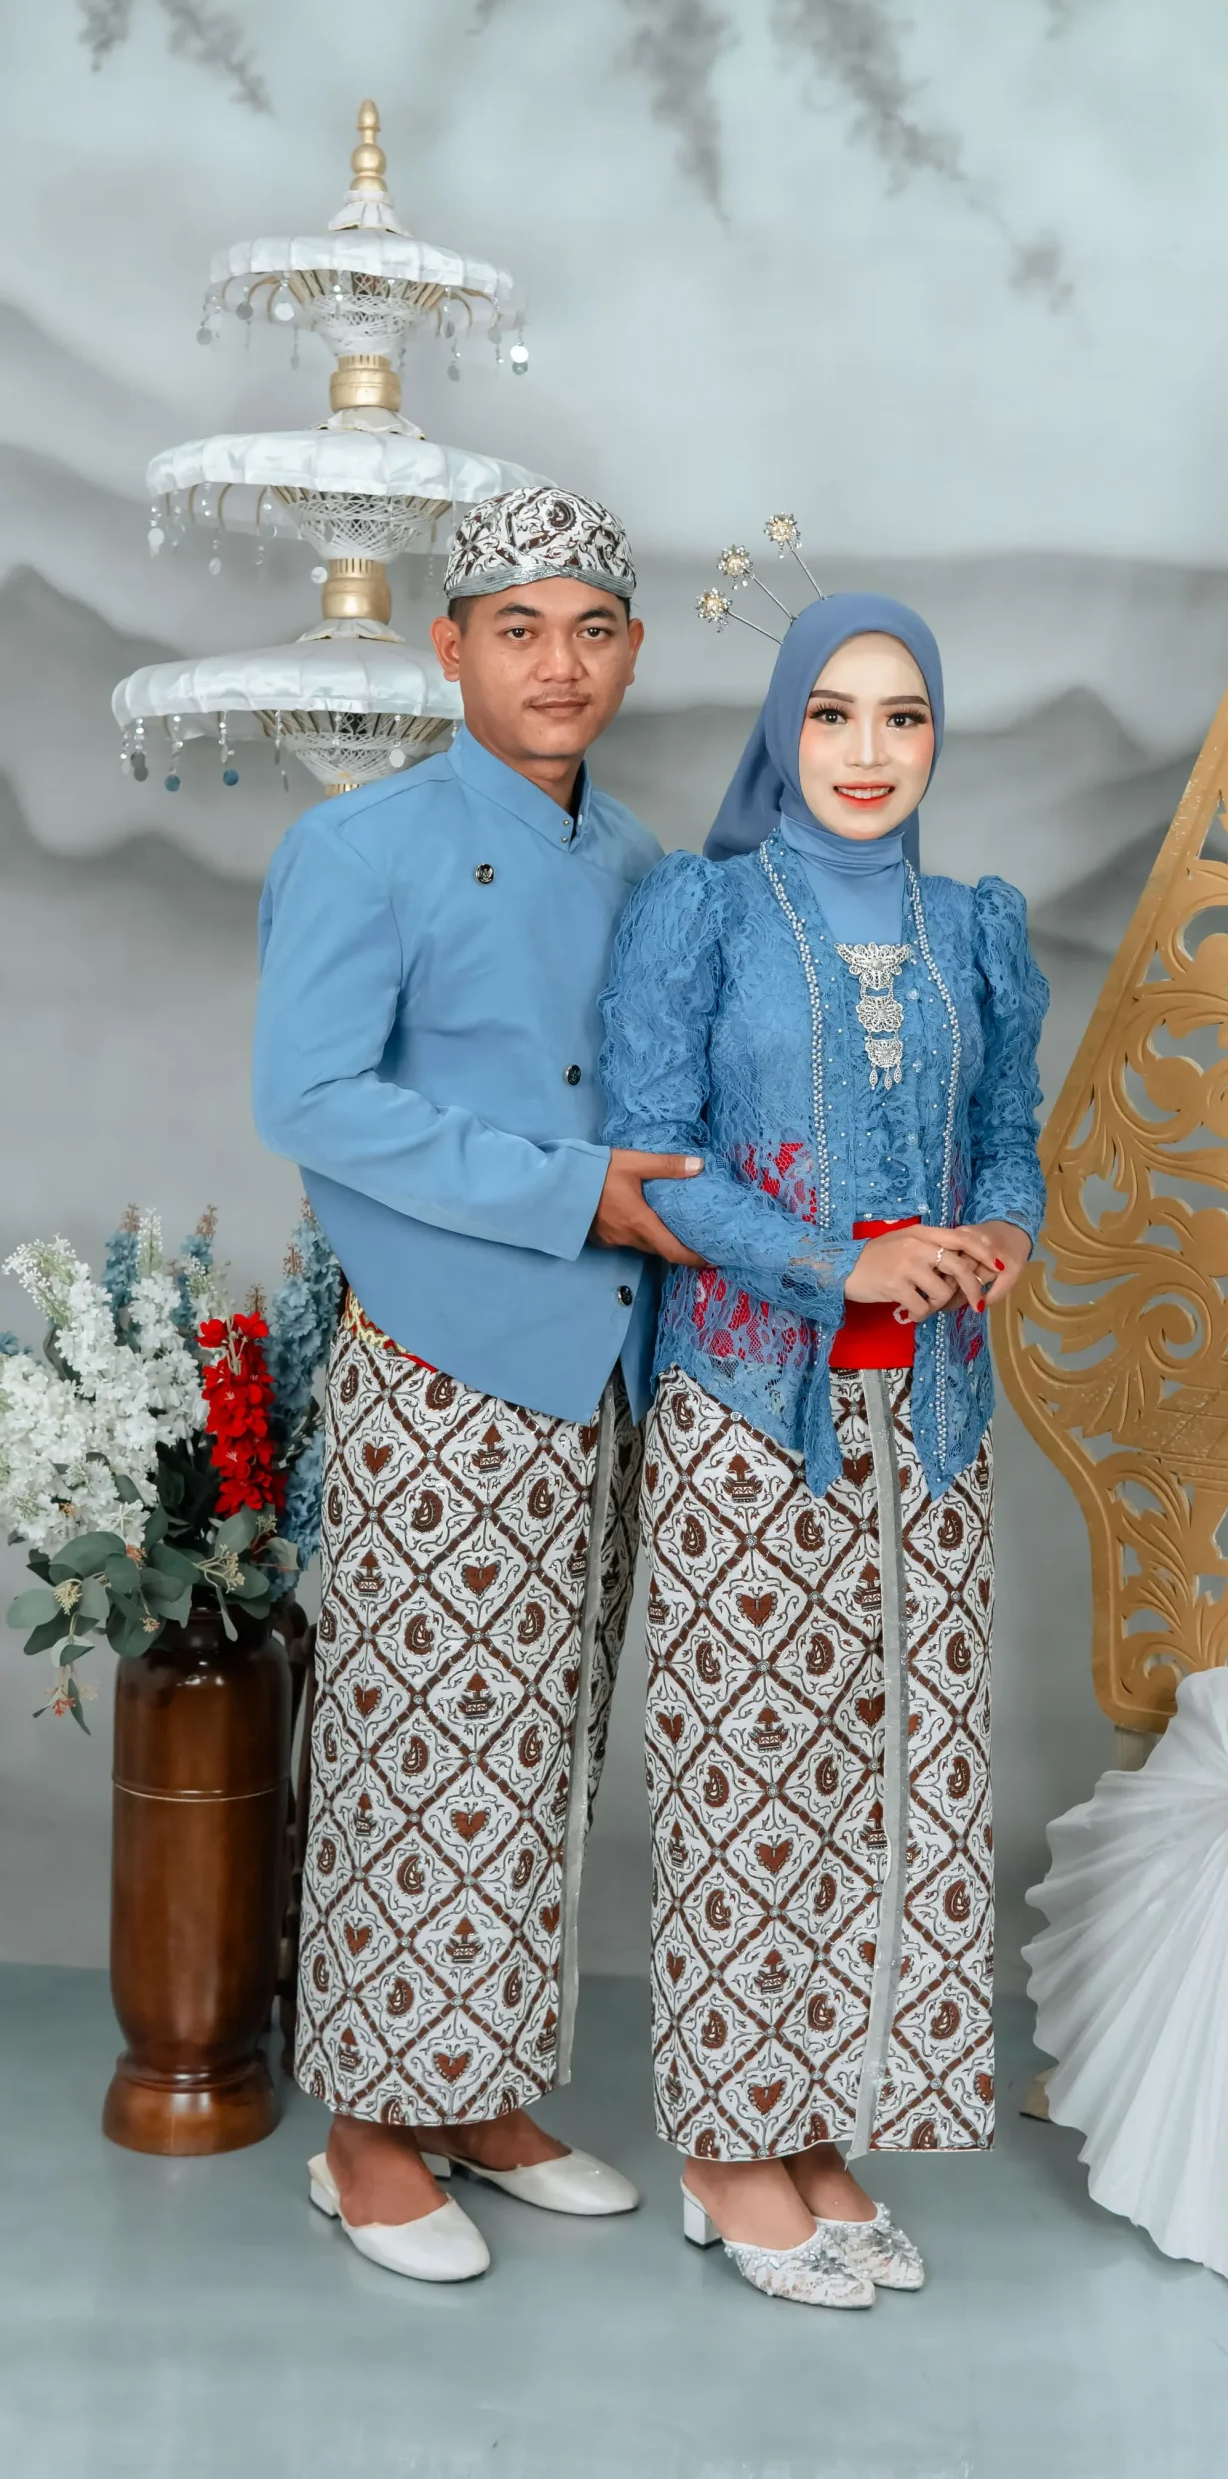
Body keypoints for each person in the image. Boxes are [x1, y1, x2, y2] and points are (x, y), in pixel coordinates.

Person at [253, 485, 702, 2283]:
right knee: (417, 1745)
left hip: (608, 1360)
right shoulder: (361, 846)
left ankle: (481, 2090)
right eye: (518, 630)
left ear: (630, 654)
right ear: (450, 650)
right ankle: (368, 2132)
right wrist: (569, 1192)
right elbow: (310, 1097)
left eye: (589, 631)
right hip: (446, 1356)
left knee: (544, 1744)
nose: (556, 664)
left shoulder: (644, 863)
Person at [598, 591, 1048, 2308]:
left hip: (928, 1425)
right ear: (783, 731)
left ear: (935, 739)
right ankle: (726, 2147)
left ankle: (814, 2122)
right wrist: (829, 1262)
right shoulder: (700, 913)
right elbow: (658, 1164)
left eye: (902, 717)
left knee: (892, 1776)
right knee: (748, 1775)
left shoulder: (972, 927)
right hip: (744, 1410)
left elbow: (1005, 1139)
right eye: (833, 715)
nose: (868, 752)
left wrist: (994, 1236)